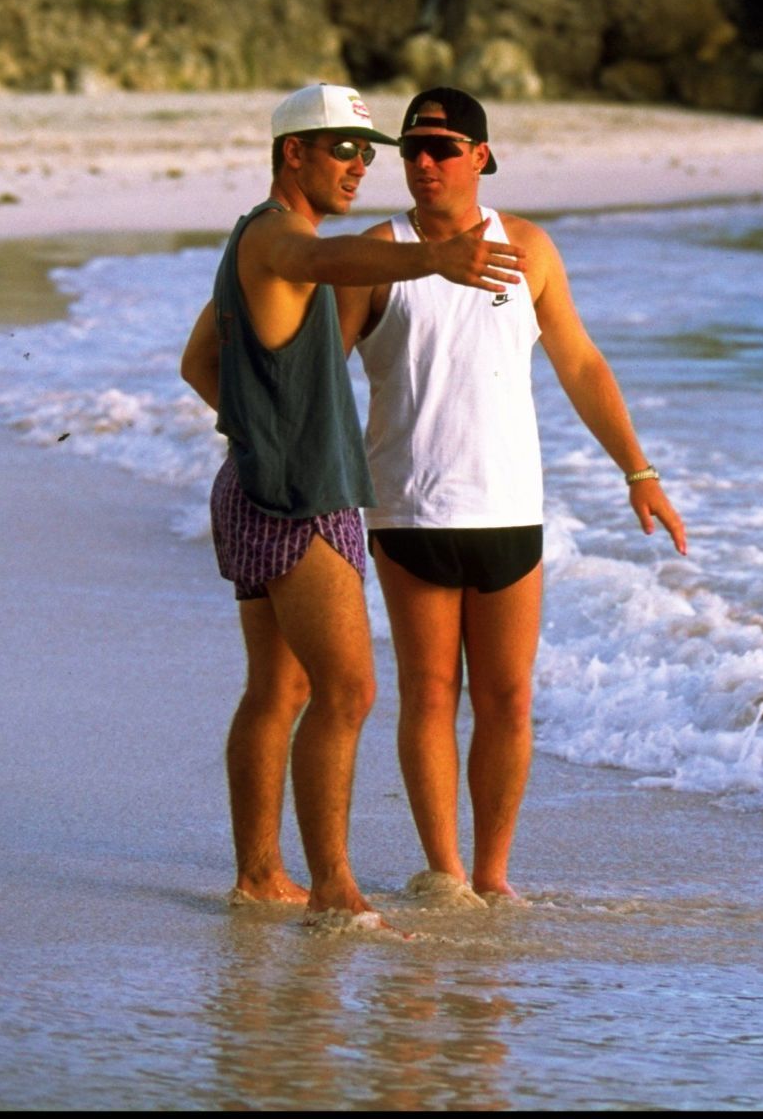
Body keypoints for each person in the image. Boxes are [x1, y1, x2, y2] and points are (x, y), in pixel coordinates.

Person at [178, 83, 524, 925]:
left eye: (368, 151)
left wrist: (261, 424)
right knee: (349, 691)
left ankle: (260, 874)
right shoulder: (278, 236)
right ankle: (332, 886)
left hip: (262, 485)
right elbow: (329, 264)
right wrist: (431, 259)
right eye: (342, 149)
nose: (360, 166)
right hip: (300, 500)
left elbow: (199, 360)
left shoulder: (254, 241)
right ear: (292, 153)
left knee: (278, 688)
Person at [352, 87, 687, 904]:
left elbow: (580, 363)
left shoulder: (528, 247)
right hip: (410, 506)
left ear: (481, 157)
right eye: (412, 149)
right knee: (429, 693)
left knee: (508, 697)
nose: (424, 162)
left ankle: (494, 876)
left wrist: (637, 471)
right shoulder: (376, 252)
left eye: (442, 148)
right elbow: (317, 370)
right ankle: (447, 873)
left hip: (509, 508)